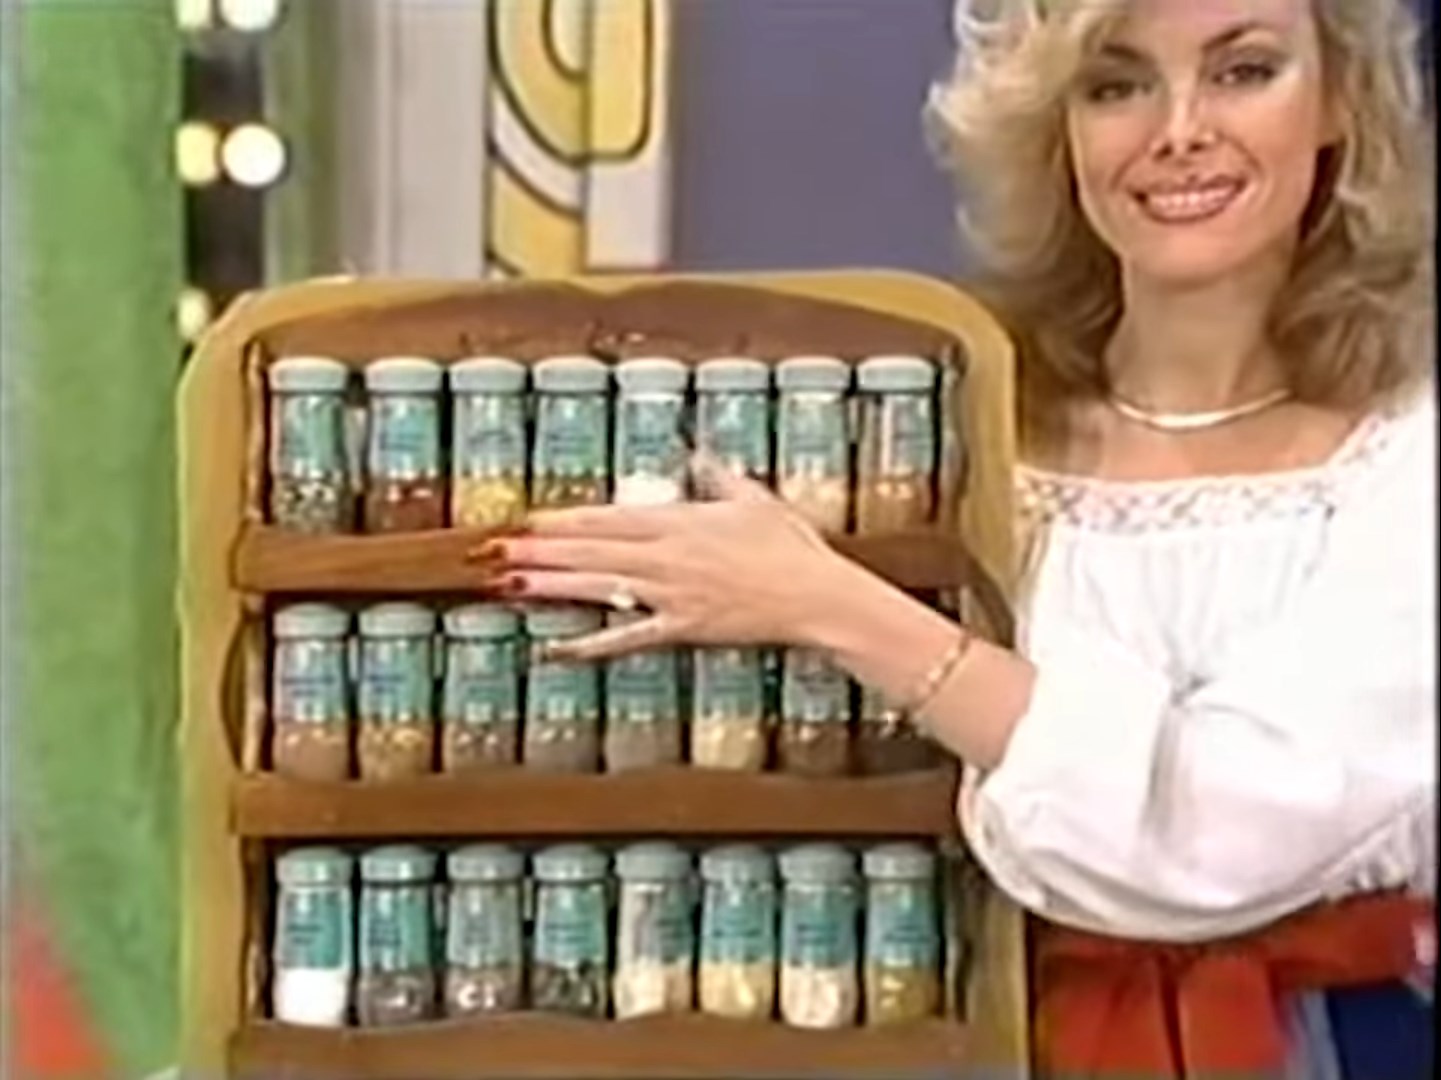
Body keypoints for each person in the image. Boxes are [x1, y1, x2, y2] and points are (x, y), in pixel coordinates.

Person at [469, 0, 1436, 1074]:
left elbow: (1208, 832)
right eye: (1114, 85)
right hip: (960, 1033)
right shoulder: (955, 432)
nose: (1179, 130)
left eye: (1242, 71)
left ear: (1339, 98)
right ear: (1050, 128)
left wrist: (824, 601)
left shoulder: (1408, 457)